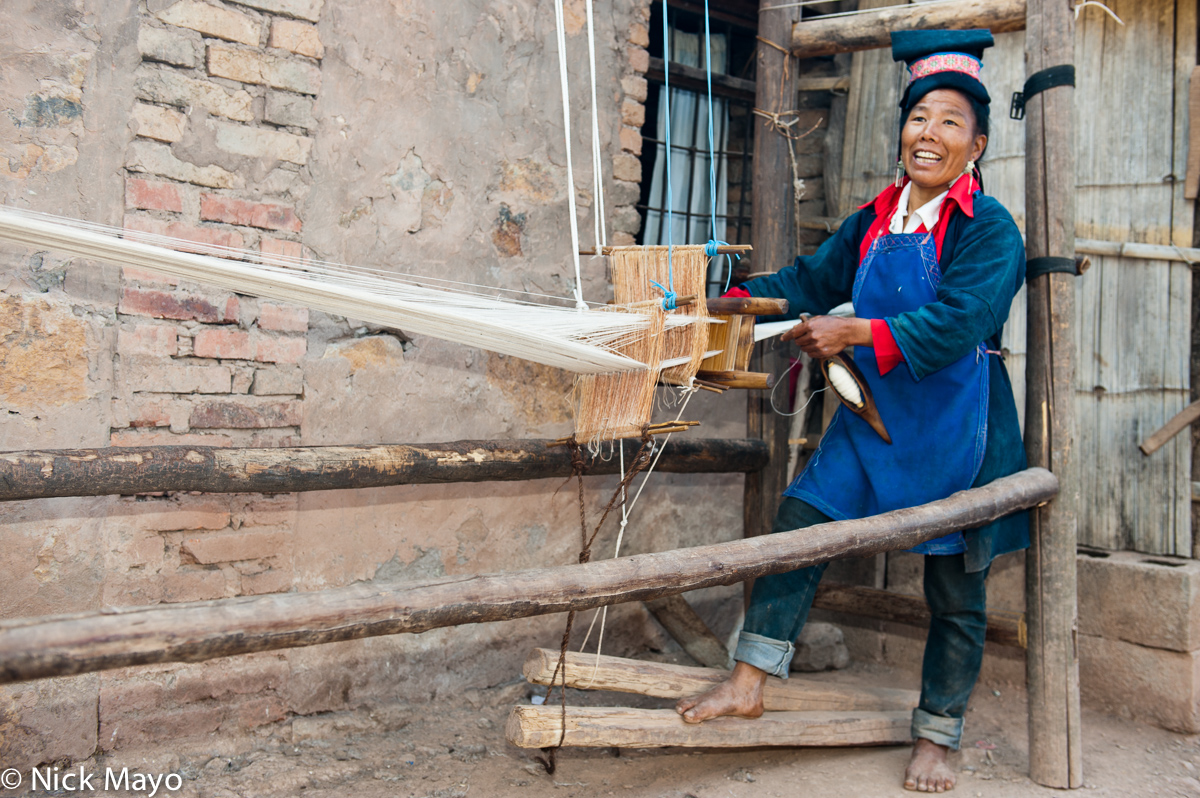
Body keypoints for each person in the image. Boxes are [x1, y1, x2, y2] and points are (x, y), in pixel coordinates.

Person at [676, 29, 1028, 793]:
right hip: (873, 416)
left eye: (949, 122)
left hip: (957, 424)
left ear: (979, 143)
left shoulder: (989, 229)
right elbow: (807, 281)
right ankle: (750, 680)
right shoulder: (876, 216)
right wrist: (727, 306)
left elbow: (959, 321)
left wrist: (855, 330)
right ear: (900, 128)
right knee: (800, 526)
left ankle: (938, 737)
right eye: (918, 118)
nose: (928, 135)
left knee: (956, 590)